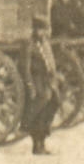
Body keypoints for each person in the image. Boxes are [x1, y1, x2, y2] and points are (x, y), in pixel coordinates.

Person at [24, 18, 59, 156]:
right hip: (37, 80)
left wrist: (54, 78)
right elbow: (25, 69)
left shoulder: (45, 44)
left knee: (54, 103)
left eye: (45, 30)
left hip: (48, 80)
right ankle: (37, 145)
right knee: (40, 108)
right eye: (41, 30)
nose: (44, 33)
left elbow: (51, 62)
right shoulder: (29, 45)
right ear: (35, 30)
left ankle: (43, 137)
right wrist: (30, 86)